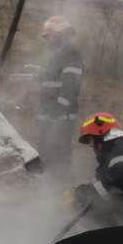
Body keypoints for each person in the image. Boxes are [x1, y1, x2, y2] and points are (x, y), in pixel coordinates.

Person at [36, 15, 84, 174]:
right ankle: (46, 181)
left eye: (49, 36)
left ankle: (60, 184)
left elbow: (70, 88)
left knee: (59, 153)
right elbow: (50, 82)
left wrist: (58, 116)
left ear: (59, 34)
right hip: (50, 114)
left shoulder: (71, 54)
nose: (47, 40)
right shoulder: (56, 55)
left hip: (61, 117)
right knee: (45, 151)